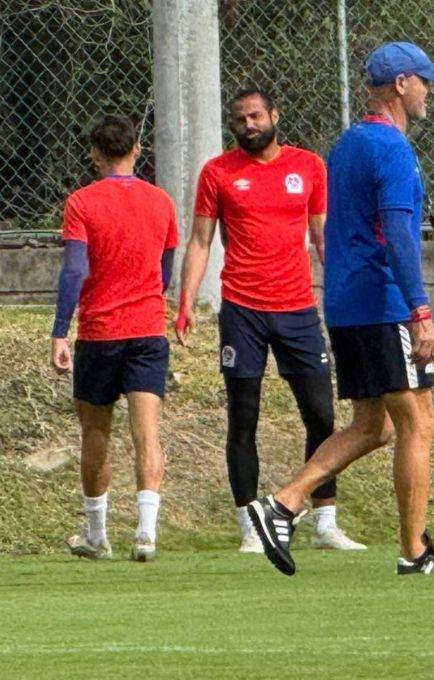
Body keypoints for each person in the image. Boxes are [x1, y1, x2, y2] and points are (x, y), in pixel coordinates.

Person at [248, 42, 434, 577]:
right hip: (383, 301)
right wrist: (420, 309)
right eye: (424, 80)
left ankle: (283, 504)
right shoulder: (391, 149)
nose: (429, 90)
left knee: (377, 426)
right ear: (401, 84)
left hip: (348, 301)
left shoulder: (350, 142)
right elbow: (396, 232)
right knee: (417, 421)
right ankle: (412, 552)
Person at [176, 88, 364, 553]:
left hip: (298, 308)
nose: (248, 125)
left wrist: (344, 290)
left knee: (320, 414)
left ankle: (324, 522)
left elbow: (322, 235)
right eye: (239, 119)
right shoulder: (217, 172)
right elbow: (200, 241)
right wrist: (184, 302)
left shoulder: (308, 166)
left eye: (256, 116)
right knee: (244, 416)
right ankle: (249, 527)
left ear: (274, 116)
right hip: (241, 308)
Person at [52, 114, 177, 562]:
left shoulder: (81, 203)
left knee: (96, 432)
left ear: (95, 154)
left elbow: (74, 270)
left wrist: (60, 330)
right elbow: (165, 269)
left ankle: (97, 534)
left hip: (101, 333)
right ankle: (146, 534)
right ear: (137, 148)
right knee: (147, 432)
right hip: (147, 329)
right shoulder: (161, 201)